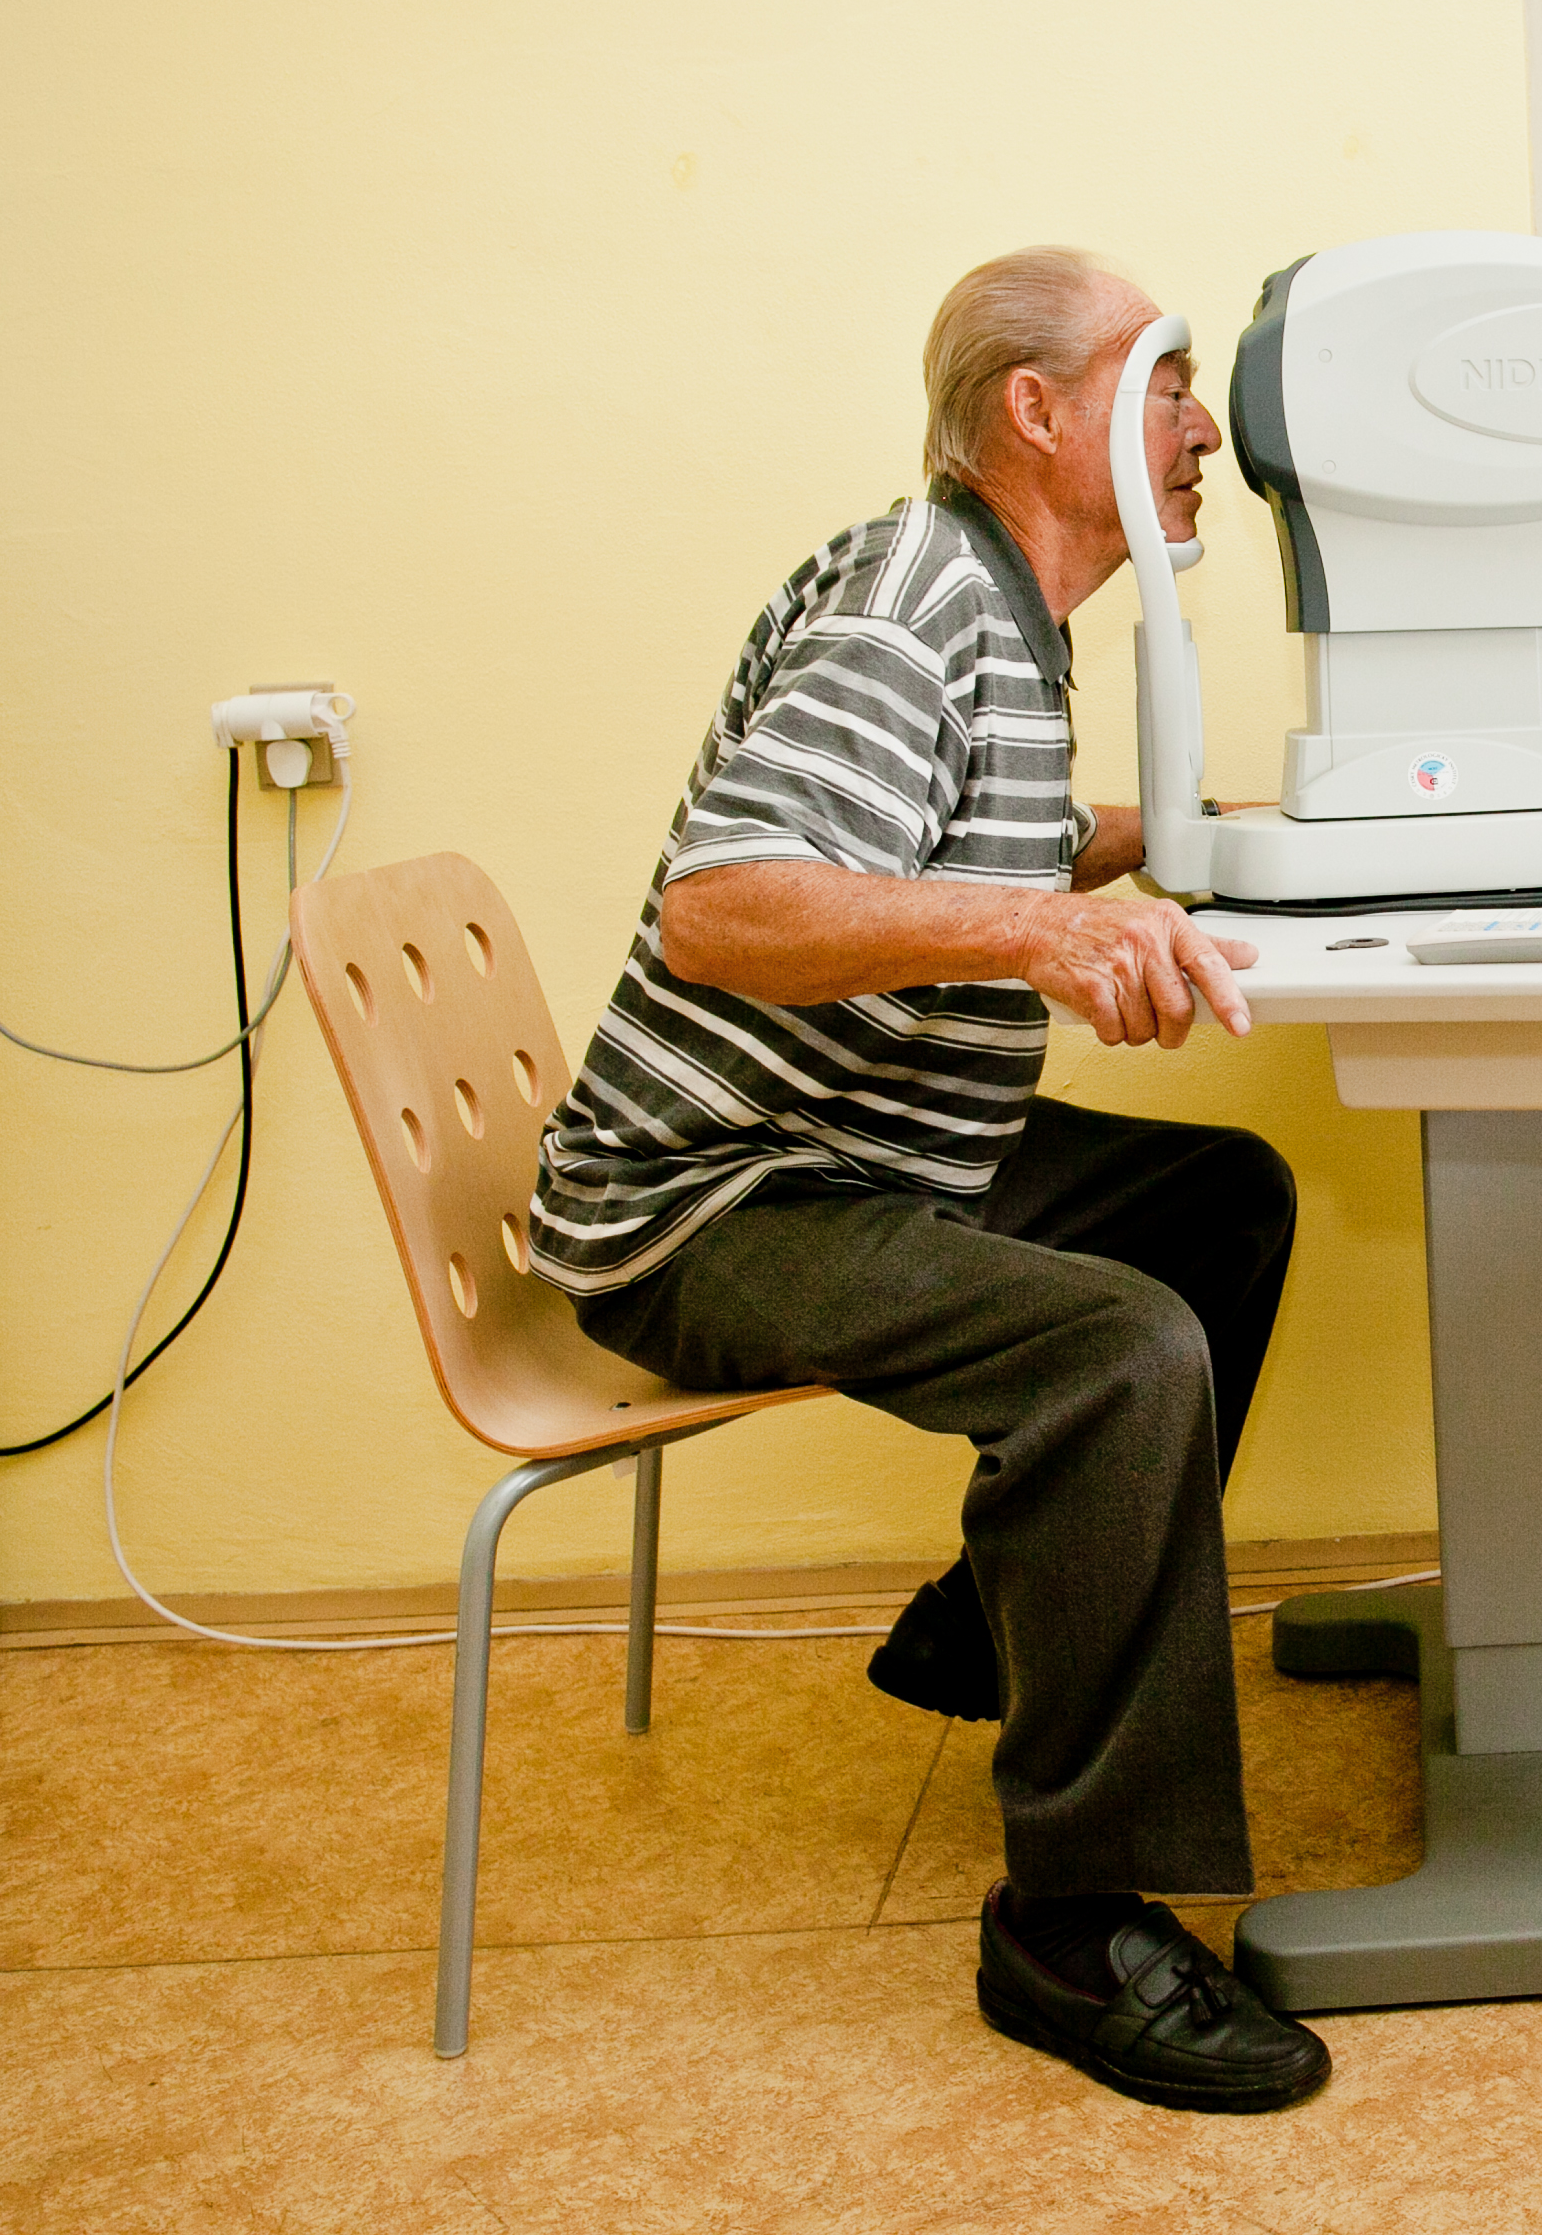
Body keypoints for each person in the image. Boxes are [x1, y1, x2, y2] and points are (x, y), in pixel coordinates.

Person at [530, 246, 1331, 2111]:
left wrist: (1246, 831)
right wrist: (1041, 936)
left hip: (881, 1148)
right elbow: (728, 910)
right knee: (1122, 1351)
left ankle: (1006, 1615)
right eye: (1167, 382)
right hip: (715, 1194)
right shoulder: (915, 602)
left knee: (1221, 1203)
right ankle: (1069, 1917)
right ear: (1036, 416)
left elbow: (989, 824)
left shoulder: (997, 609)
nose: (1205, 427)